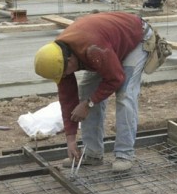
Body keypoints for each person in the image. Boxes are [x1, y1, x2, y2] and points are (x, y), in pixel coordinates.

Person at [33, 12, 153, 173]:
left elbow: (115, 78)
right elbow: (68, 99)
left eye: (65, 73)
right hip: (107, 46)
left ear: (70, 61)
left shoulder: (92, 49)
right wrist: (70, 140)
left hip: (136, 40)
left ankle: (125, 154)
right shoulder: (58, 58)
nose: (65, 77)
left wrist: (89, 104)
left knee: (125, 94)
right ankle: (92, 154)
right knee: (87, 91)